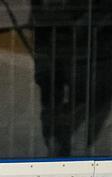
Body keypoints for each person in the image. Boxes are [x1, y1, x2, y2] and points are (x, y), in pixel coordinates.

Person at [32, 0, 112, 157]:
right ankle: (58, 149)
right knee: (53, 100)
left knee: (91, 99)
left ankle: (66, 147)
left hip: (88, 47)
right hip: (56, 44)